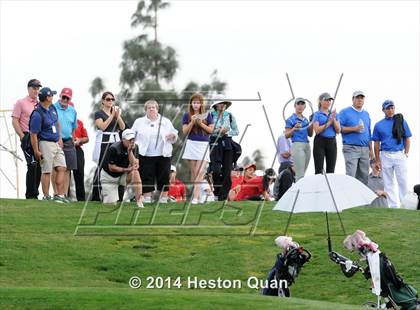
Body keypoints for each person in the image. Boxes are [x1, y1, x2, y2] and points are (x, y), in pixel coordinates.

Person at [131, 99, 178, 204]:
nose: (151, 109)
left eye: (154, 107)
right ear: (146, 110)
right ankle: (147, 198)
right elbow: (132, 135)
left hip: (163, 154)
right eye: (149, 107)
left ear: (157, 109)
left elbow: (174, 134)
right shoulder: (139, 122)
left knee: (164, 175)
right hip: (145, 154)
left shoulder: (165, 121)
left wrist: (173, 136)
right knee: (147, 175)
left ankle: (164, 198)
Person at [29, 87, 68, 203]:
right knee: (46, 170)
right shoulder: (37, 113)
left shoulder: (52, 107)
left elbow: (57, 123)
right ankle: (46, 196)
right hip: (45, 143)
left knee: (62, 167)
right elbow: (33, 134)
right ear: (47, 97)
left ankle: (59, 195)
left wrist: (60, 137)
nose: (53, 97)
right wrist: (36, 150)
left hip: (55, 142)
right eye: (51, 95)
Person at [372, 100, 412, 208]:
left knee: (402, 180)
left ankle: (406, 206)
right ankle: (393, 206)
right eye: (388, 108)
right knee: (388, 183)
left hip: (399, 154)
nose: (390, 110)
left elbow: (407, 138)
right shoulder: (378, 125)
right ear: (383, 110)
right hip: (385, 155)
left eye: (392, 108)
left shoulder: (401, 121)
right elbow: (376, 143)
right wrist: (377, 160)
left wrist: (406, 153)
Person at [91, 91, 125, 201]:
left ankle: (119, 196)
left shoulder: (115, 113)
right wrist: (112, 116)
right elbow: (103, 127)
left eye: (112, 99)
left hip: (115, 141)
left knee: (117, 165)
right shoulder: (99, 114)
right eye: (108, 99)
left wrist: (117, 116)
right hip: (104, 142)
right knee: (101, 167)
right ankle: (96, 195)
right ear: (103, 101)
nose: (110, 101)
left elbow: (122, 127)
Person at [12, 79, 42, 199]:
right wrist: (22, 136)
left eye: (37, 88)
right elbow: (15, 120)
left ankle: (35, 193)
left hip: (38, 137)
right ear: (28, 88)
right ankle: (30, 195)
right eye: (34, 88)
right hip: (27, 136)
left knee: (39, 165)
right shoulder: (21, 102)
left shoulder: (40, 104)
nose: (36, 90)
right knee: (32, 164)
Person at [182, 93, 214, 204]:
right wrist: (192, 122)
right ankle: (201, 195)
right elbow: (185, 131)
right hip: (191, 144)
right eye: (194, 102)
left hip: (203, 145)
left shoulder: (207, 115)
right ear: (191, 104)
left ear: (201, 104)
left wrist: (200, 123)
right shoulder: (186, 115)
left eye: (198, 102)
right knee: (195, 174)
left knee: (200, 172)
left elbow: (211, 130)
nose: (196, 105)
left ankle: (196, 198)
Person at [100, 129, 143, 208]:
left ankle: (139, 201)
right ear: (123, 140)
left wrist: (129, 151)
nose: (132, 141)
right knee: (111, 205)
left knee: (135, 172)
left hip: (122, 175)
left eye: (133, 139)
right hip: (109, 177)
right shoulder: (114, 148)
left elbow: (135, 165)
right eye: (129, 139)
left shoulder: (135, 147)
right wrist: (127, 169)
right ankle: (108, 194)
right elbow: (112, 168)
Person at [209, 94, 239, 201]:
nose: (222, 105)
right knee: (216, 170)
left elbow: (236, 131)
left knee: (227, 172)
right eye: (220, 103)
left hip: (227, 144)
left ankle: (223, 197)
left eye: (224, 103)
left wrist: (227, 132)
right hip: (214, 144)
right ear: (215, 105)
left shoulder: (230, 116)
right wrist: (217, 131)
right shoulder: (210, 115)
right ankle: (217, 193)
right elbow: (207, 131)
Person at [338, 91, 372, 185]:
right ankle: (350, 199)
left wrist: (371, 150)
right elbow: (338, 128)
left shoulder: (366, 114)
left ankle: (361, 200)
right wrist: (354, 129)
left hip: (365, 149)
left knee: (364, 177)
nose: (360, 100)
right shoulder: (345, 112)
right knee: (351, 176)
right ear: (353, 99)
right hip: (351, 147)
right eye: (357, 98)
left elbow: (369, 133)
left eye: (362, 98)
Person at [52, 88, 77, 198]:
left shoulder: (72, 110)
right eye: (64, 97)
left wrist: (73, 139)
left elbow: (73, 127)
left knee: (67, 169)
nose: (65, 99)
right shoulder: (53, 107)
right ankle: (56, 193)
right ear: (60, 96)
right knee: (56, 167)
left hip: (68, 142)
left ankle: (64, 195)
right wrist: (59, 137)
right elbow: (52, 125)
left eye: (68, 98)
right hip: (55, 140)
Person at [285, 97, 313, 181]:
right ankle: (298, 193)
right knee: (299, 174)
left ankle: (297, 191)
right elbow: (286, 135)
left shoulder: (306, 120)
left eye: (302, 104)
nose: (300, 106)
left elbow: (310, 134)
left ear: (304, 107)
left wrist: (311, 123)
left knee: (303, 173)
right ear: (295, 106)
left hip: (307, 145)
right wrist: (294, 128)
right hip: (297, 145)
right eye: (298, 104)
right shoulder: (290, 119)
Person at [312, 92, 341, 174]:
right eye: (326, 100)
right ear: (320, 101)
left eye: (329, 100)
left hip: (331, 141)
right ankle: (319, 186)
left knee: (331, 170)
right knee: (319, 169)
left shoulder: (335, 114)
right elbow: (317, 130)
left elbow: (338, 130)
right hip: (320, 141)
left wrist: (333, 119)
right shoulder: (317, 114)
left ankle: (329, 187)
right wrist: (329, 122)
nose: (328, 102)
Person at [69, 101, 89, 201]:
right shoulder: (59, 121)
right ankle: (64, 196)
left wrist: (79, 140)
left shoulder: (79, 122)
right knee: (65, 173)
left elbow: (86, 138)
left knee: (79, 174)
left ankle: (81, 199)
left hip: (77, 150)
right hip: (65, 149)